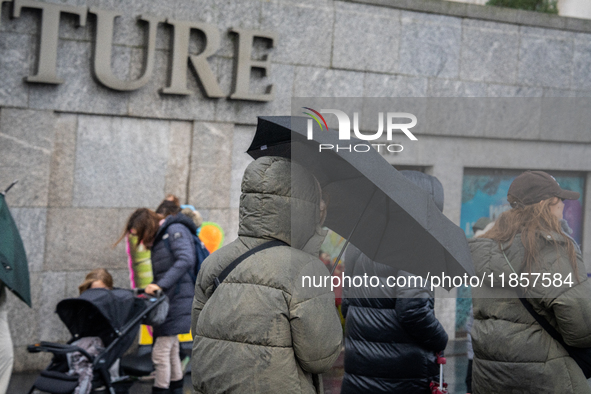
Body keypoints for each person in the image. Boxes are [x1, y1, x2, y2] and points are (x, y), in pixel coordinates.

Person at [191, 156, 342, 394]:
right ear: (304, 207)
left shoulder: (215, 262)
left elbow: (199, 333)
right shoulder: (306, 268)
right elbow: (320, 357)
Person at [470, 170, 591, 393]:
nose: (563, 206)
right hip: (547, 378)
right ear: (546, 203)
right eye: (560, 200)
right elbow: (582, 328)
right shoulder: (553, 248)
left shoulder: (486, 249)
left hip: (490, 375)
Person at [340, 171, 448, 394]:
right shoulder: (417, 242)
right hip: (400, 376)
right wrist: (441, 338)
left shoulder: (360, 239)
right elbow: (413, 310)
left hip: (359, 370)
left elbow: (347, 304)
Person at [120, 208, 197, 394]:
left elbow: (186, 259)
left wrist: (159, 285)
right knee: (171, 350)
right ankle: (176, 387)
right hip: (171, 301)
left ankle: (160, 389)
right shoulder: (164, 235)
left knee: (160, 353)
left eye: (141, 234)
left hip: (176, 301)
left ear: (147, 226)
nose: (141, 241)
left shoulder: (173, 231)